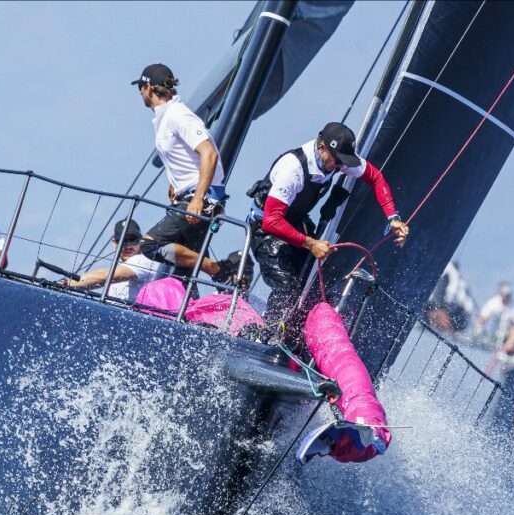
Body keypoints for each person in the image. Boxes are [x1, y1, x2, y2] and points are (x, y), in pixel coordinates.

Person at [246, 121, 408, 327]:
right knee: (287, 287)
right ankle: (268, 334)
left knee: (316, 282)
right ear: (322, 146)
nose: (340, 166)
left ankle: (299, 335)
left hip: (296, 223)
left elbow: (376, 178)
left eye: (344, 162)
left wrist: (393, 218)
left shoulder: (339, 157)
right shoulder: (293, 168)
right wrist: (311, 244)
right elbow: (271, 221)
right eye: (338, 161)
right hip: (265, 229)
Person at [131, 63, 247, 286]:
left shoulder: (178, 115)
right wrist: (174, 182)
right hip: (190, 196)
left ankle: (216, 268)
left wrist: (197, 198)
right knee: (181, 274)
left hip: (201, 199)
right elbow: (181, 156)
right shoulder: (165, 117)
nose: (140, 93)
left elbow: (209, 153)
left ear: (149, 88)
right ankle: (184, 311)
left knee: (149, 245)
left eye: (141, 88)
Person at [64, 219, 166, 302]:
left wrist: (65, 284)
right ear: (114, 243)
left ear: (141, 241)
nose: (128, 246)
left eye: (133, 240)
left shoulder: (144, 260)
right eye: (122, 241)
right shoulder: (121, 268)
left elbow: (103, 276)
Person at [426, 261, 475, 335]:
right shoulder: (457, 278)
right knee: (435, 308)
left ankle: (445, 324)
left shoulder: (448, 274)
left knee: (437, 307)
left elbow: (440, 296)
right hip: (462, 317)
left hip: (460, 315)